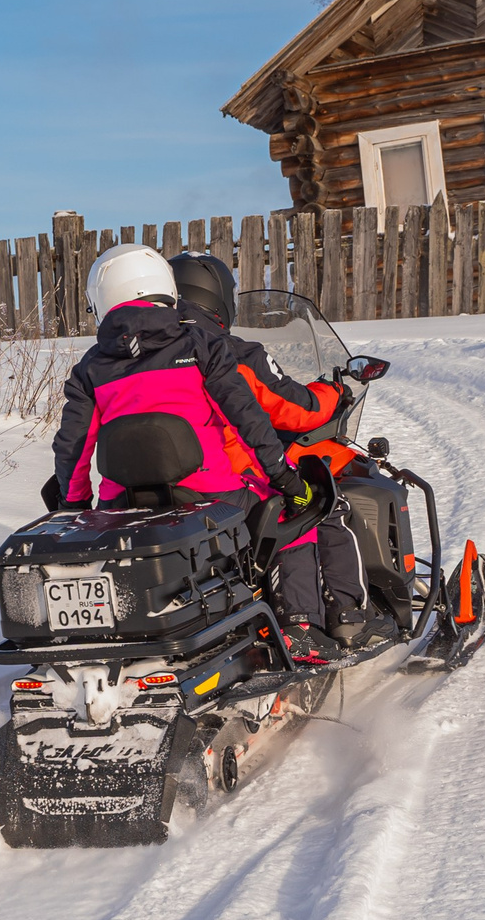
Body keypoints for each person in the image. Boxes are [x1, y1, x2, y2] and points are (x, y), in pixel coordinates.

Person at [43, 243, 323, 653]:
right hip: (214, 497)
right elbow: (249, 421)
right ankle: (300, 630)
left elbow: (73, 446)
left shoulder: (90, 368)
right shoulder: (201, 347)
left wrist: (74, 505)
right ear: (165, 287)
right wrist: (285, 480)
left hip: (122, 505)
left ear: (101, 301)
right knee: (296, 524)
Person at [167, 252, 363, 662]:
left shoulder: (136, 354)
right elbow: (297, 407)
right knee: (316, 506)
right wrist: (337, 392)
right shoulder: (230, 351)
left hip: (149, 489)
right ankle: (320, 623)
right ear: (217, 296)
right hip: (225, 478)